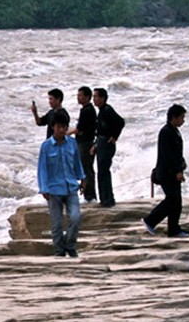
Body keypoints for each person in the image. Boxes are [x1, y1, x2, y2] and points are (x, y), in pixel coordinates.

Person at [37, 116, 85, 258]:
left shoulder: (72, 143)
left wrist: (82, 179)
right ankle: (59, 250)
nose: (62, 130)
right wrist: (44, 188)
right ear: (53, 128)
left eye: (64, 127)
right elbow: (42, 169)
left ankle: (70, 246)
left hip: (70, 187)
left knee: (75, 217)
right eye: (58, 127)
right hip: (53, 189)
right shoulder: (46, 146)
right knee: (57, 223)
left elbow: (77, 162)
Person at [144, 104, 189, 238]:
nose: (183, 120)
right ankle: (150, 220)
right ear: (174, 117)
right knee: (172, 200)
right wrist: (177, 171)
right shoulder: (166, 132)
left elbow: (177, 153)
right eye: (182, 117)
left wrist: (182, 163)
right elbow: (168, 155)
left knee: (176, 202)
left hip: (173, 172)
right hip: (166, 173)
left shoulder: (174, 130)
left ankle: (174, 229)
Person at [91, 87, 125, 208]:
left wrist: (114, 136)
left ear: (103, 98)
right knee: (102, 171)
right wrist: (95, 144)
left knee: (104, 171)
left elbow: (121, 122)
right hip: (101, 141)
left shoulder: (107, 110)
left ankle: (108, 199)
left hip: (106, 142)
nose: (94, 99)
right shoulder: (101, 111)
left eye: (96, 96)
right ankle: (105, 198)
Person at [72, 86, 98, 202]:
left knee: (87, 169)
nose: (78, 98)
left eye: (80, 96)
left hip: (85, 143)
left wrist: (63, 133)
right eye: (77, 96)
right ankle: (88, 195)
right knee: (85, 169)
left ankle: (90, 196)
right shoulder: (87, 109)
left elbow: (78, 129)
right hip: (84, 142)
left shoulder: (87, 110)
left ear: (87, 97)